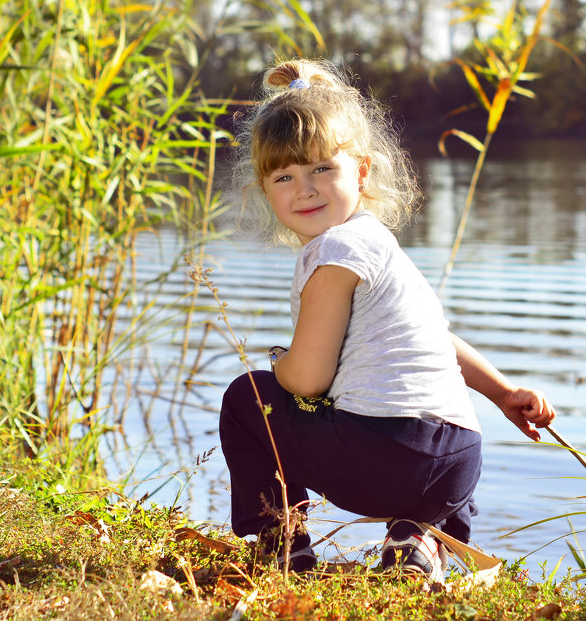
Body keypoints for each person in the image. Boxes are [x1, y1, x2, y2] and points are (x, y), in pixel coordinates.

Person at [218, 58, 557, 580]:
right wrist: (503, 392)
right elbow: (436, 340)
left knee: (248, 399)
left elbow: (308, 379)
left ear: (362, 169)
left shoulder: (335, 254)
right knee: (440, 426)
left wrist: (281, 368)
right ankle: (416, 539)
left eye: (321, 169)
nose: (304, 189)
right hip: (457, 461)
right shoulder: (381, 243)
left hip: (382, 457)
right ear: (265, 190)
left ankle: (282, 545)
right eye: (285, 175)